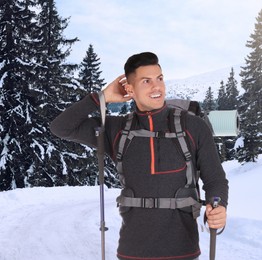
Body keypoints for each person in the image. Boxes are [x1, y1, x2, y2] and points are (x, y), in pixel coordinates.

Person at [50, 52, 228, 260]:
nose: (157, 87)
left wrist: (219, 206)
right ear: (130, 89)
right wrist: (101, 98)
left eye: (159, 78)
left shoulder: (193, 126)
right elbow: (60, 127)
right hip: (131, 253)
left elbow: (215, 179)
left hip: (184, 252)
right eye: (146, 81)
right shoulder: (116, 130)